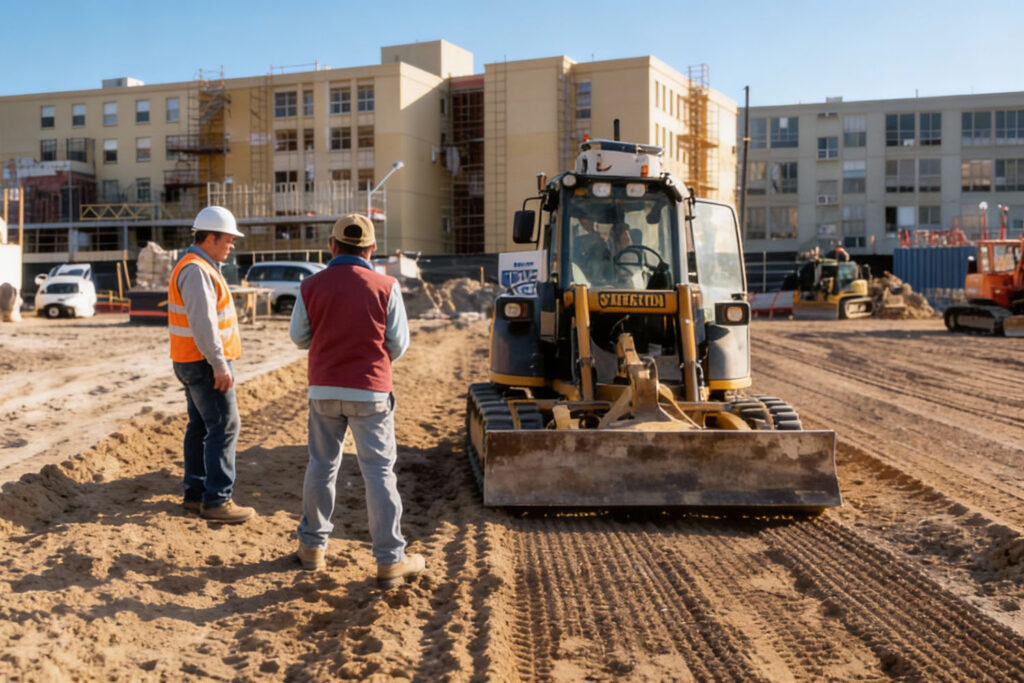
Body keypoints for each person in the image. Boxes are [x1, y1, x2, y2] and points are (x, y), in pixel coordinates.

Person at [289, 212, 424, 587]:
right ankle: (390, 561)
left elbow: (299, 338)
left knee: (321, 466)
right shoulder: (386, 286)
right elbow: (398, 344)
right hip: (371, 392)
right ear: (371, 249)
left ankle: (312, 549)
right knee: (379, 473)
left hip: (324, 390)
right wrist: (370, 361)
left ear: (332, 246)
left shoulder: (310, 285)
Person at [167, 206, 255, 523]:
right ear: (210, 237)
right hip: (204, 363)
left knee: (201, 425)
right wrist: (219, 364)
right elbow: (204, 325)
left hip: (192, 360)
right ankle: (217, 500)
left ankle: (196, 494)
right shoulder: (196, 270)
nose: (231, 245)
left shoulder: (200, 266)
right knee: (225, 426)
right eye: (228, 239)